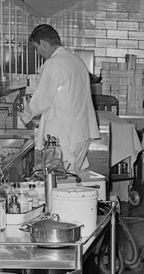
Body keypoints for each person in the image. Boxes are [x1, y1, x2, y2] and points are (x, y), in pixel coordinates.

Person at [20, 24, 100, 172]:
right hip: (81, 134)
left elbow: (42, 99)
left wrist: (25, 116)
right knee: (72, 179)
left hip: (65, 138)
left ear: (43, 43)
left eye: (37, 48)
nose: (38, 52)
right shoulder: (77, 61)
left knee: (61, 183)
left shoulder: (54, 64)